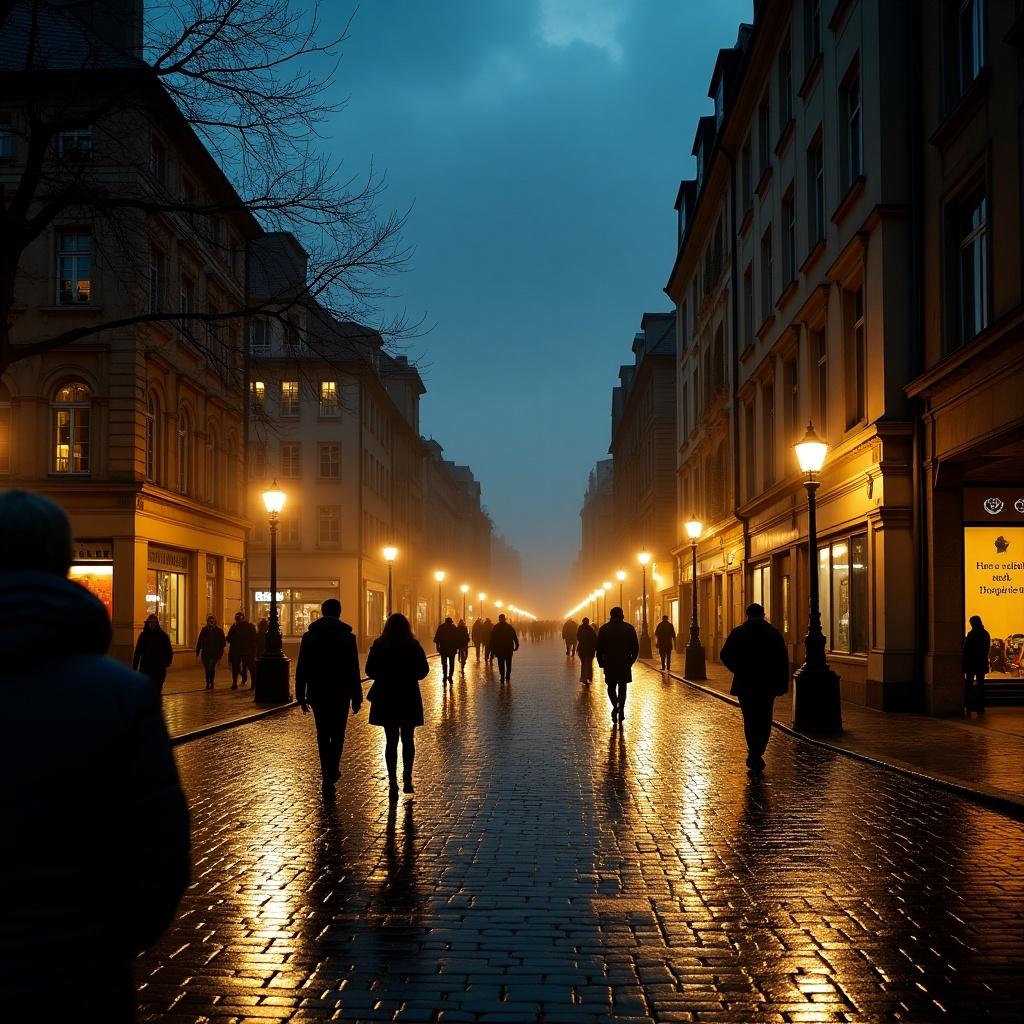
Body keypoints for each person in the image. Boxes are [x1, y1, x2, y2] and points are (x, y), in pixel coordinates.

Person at [0, 489, 189, 1020]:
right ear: (64, 560)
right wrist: (110, 943)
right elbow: (161, 849)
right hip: (80, 975)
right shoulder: (119, 694)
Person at [295, 599, 363, 797]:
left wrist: (300, 693)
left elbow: (302, 667)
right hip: (341, 692)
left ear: (322, 612)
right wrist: (356, 696)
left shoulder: (309, 637)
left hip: (317, 692)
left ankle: (327, 775)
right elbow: (353, 669)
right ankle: (332, 768)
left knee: (322, 735)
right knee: (338, 734)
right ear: (339, 613)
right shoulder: (348, 638)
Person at [719, 603, 790, 773]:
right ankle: (758, 752)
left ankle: (753, 751)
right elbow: (782, 660)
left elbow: (724, 655)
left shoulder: (739, 632)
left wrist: (738, 668)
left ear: (747, 615)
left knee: (750, 718)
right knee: (765, 718)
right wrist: (783, 683)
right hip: (768, 684)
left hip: (746, 684)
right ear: (763, 614)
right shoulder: (773, 633)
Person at [366, 612, 430, 799]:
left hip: (386, 696)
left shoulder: (379, 645)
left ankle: (393, 780)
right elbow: (423, 671)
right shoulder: (413, 645)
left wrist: (386, 675)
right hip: (408, 695)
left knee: (391, 739)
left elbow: (370, 670)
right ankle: (407, 779)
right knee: (408, 739)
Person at [596, 606, 640, 723]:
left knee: (611, 687)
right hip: (624, 663)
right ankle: (621, 710)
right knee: (622, 687)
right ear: (622, 615)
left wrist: (601, 663)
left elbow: (599, 648)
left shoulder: (604, 629)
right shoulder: (629, 628)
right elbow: (635, 648)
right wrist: (631, 661)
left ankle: (615, 707)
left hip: (609, 663)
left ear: (611, 615)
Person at [133, 612, 173, 691]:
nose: (152, 624)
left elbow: (169, 651)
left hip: (158, 668)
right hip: (145, 667)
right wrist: (135, 666)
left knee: (157, 689)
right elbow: (138, 652)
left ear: (157, 623)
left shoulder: (163, 636)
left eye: (154, 622)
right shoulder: (143, 636)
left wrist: (167, 662)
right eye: (150, 622)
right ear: (147, 623)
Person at [962, 614, 992, 713]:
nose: (970, 624)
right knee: (980, 684)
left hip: (971, 663)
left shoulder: (971, 634)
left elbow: (967, 649)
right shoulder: (985, 634)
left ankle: (970, 704)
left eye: (971, 622)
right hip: (981, 663)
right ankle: (980, 705)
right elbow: (985, 649)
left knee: (970, 684)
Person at [226, 610, 258, 689]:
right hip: (245, 650)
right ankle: (252, 683)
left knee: (237, 667)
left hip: (239, 650)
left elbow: (229, 638)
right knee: (249, 667)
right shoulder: (249, 626)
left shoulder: (235, 627)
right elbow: (254, 639)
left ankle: (235, 683)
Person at [195, 614, 227, 689]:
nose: (211, 622)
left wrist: (220, 654)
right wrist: (197, 652)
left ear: (215, 621)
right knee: (207, 669)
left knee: (211, 668)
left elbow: (223, 643)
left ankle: (211, 682)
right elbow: (200, 641)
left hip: (214, 654)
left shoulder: (219, 631)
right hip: (205, 653)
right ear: (207, 621)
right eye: (209, 620)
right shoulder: (204, 630)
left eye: (212, 620)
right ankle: (207, 682)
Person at [489, 612, 520, 682]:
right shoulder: (509, 627)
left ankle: (502, 676)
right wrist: (517, 645)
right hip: (508, 648)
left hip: (499, 649)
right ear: (505, 619)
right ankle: (508, 676)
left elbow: (492, 639)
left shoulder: (496, 627)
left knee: (501, 663)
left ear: (499, 619)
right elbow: (514, 636)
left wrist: (492, 649)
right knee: (508, 663)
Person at [433, 615, 460, 683]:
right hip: (452, 649)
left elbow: (437, 637)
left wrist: (437, 647)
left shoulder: (441, 627)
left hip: (443, 648)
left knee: (444, 663)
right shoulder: (454, 627)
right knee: (452, 663)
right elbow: (457, 639)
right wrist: (457, 648)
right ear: (451, 622)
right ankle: (450, 676)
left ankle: (445, 676)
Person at [576, 615, 598, 684]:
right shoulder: (590, 629)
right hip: (590, 649)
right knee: (589, 663)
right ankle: (589, 676)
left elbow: (578, 637)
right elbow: (594, 638)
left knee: (583, 663)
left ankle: (583, 677)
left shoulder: (580, 628)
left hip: (582, 648)